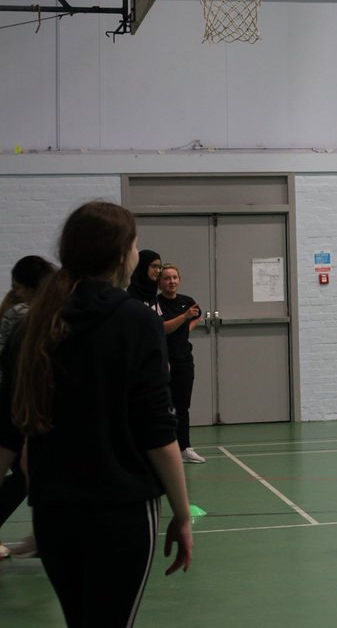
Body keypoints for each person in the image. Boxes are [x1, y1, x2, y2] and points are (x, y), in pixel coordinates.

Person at [0, 201, 193, 625]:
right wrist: (182, 514)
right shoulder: (136, 322)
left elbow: (11, 433)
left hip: (53, 513)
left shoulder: (33, 325)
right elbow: (159, 434)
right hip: (120, 511)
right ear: (123, 253)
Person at [0, 255, 57, 560]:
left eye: (19, 287)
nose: (16, 293)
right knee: (26, 472)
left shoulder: (42, 316)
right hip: (15, 405)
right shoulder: (23, 316)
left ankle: (42, 536)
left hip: (26, 406)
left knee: (30, 475)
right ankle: (43, 535)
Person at [158, 264, 205, 463]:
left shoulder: (187, 302)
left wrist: (187, 328)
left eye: (175, 277)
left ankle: (184, 448)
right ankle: (162, 449)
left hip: (184, 361)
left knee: (182, 406)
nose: (172, 281)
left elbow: (198, 315)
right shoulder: (156, 303)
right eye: (167, 278)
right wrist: (184, 319)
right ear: (160, 283)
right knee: (163, 406)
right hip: (162, 362)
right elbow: (162, 328)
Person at [127, 249, 163, 313]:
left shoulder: (152, 292)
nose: (158, 270)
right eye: (154, 266)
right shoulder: (129, 292)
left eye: (159, 267)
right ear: (143, 266)